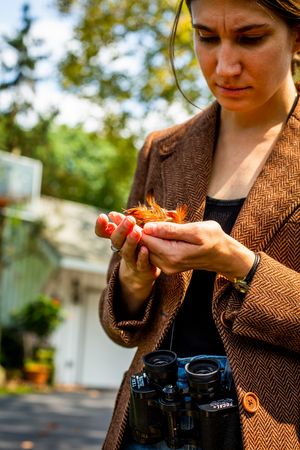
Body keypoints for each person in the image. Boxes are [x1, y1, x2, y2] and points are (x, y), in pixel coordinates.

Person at [95, 0, 300, 449]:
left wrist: (241, 266)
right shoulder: (162, 149)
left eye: (251, 37)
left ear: (297, 37)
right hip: (146, 427)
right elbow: (120, 329)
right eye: (207, 37)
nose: (224, 66)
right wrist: (133, 278)